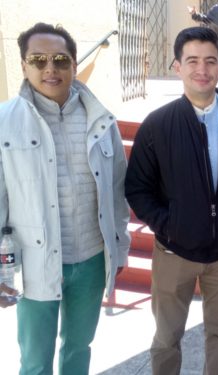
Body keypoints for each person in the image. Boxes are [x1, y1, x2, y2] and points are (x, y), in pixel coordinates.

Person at [124, 26, 218, 375]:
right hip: (174, 252)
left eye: (210, 61)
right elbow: (137, 188)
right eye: (192, 61)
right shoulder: (157, 125)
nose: (201, 70)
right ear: (177, 66)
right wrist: (169, 224)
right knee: (166, 336)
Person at [0, 23, 130, 374]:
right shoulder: (4, 123)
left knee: (78, 349)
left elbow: (117, 191)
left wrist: (119, 246)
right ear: (24, 66)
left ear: (73, 64)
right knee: (35, 359)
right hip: (35, 264)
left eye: (59, 60)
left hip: (89, 260)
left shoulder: (100, 120)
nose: (50, 69)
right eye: (38, 60)